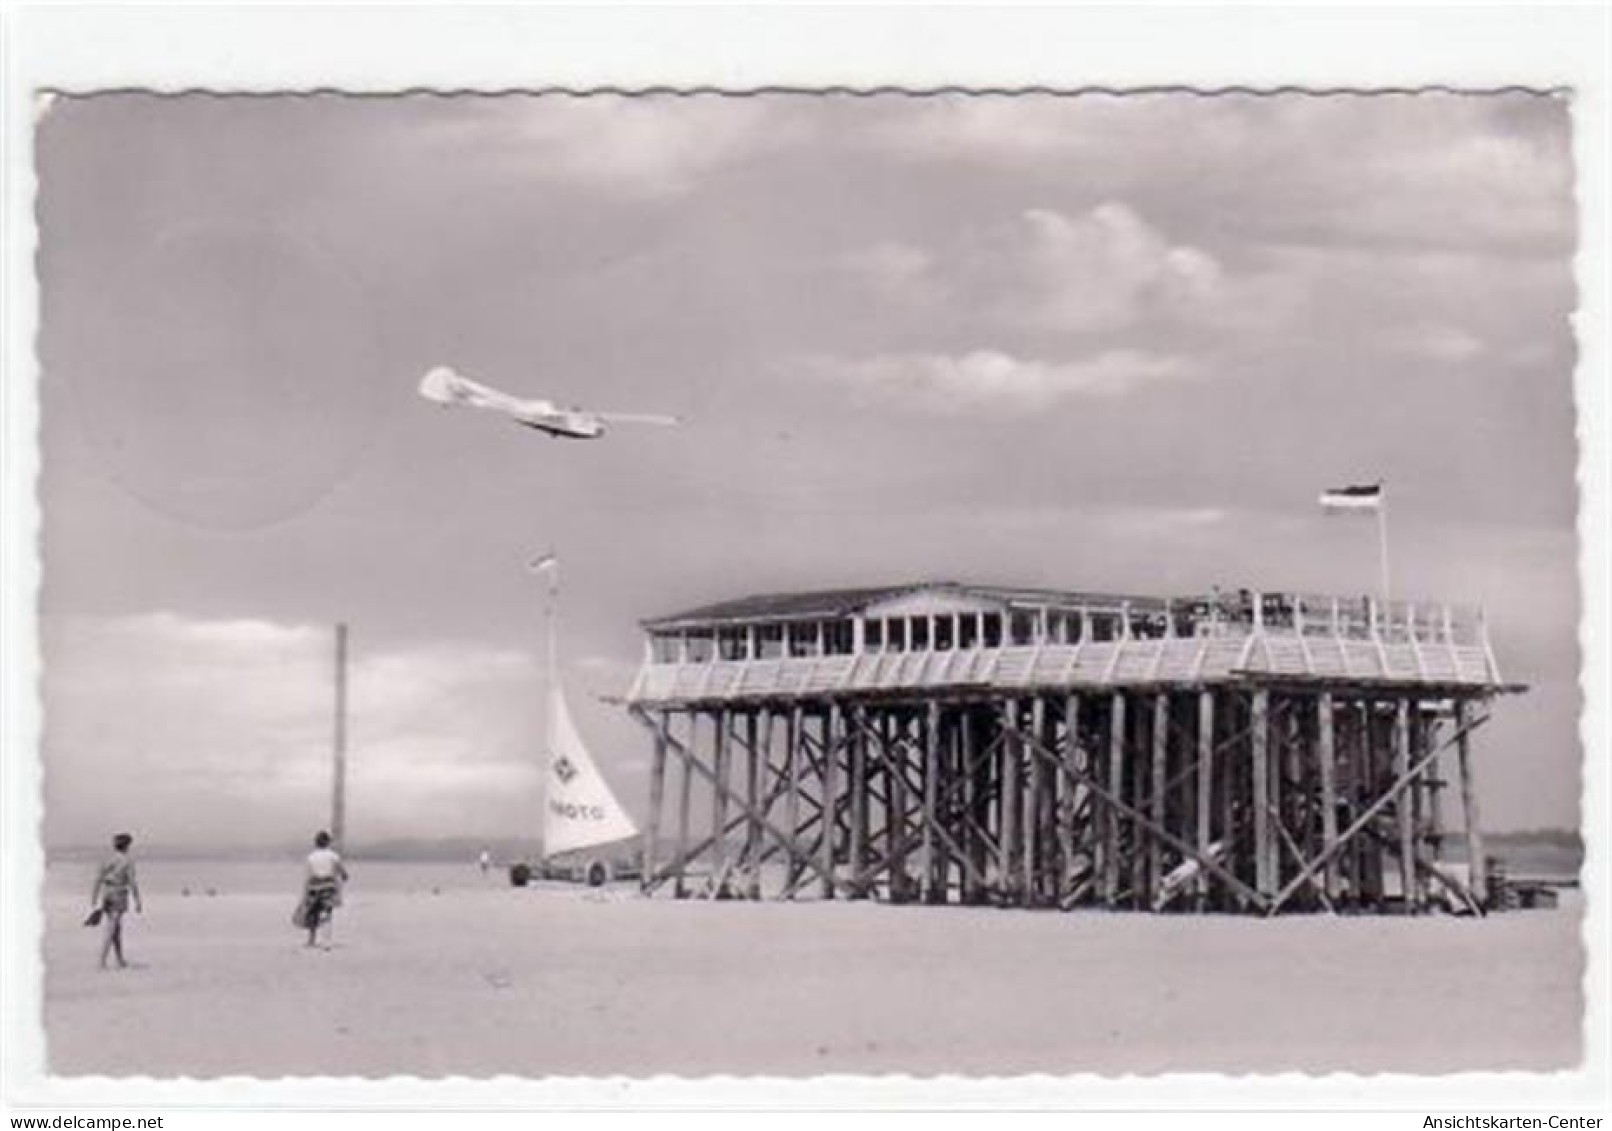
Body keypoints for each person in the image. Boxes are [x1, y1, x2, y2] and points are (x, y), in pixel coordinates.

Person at [90, 832, 141, 970]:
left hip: (107, 893)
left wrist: (94, 897)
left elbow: (98, 878)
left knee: (117, 929)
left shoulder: (108, 859)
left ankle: (119, 960)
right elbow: (132, 882)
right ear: (127, 846)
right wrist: (138, 900)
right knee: (112, 928)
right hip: (119, 894)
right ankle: (101, 961)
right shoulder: (127, 861)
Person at [301, 830, 349, 948]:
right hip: (328, 885)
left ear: (316, 843)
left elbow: (308, 876)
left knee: (313, 913)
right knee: (327, 912)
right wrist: (343, 877)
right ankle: (326, 940)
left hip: (314, 885)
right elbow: (343, 873)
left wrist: (305, 893)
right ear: (328, 842)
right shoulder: (333, 855)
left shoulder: (310, 857)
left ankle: (311, 940)